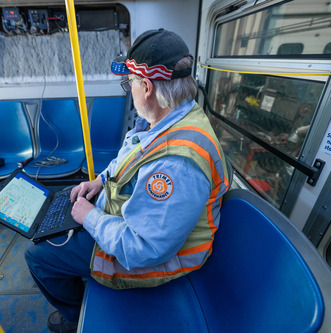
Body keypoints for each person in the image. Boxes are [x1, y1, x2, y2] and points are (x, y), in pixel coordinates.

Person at [25, 28, 229, 333]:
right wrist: (98, 181)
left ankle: (75, 316)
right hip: (126, 223)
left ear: (146, 87)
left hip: (152, 259)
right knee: (55, 219)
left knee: (37, 254)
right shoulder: (171, 117)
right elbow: (129, 163)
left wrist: (90, 217)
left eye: (129, 83)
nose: (129, 89)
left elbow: (144, 248)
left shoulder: (175, 163)